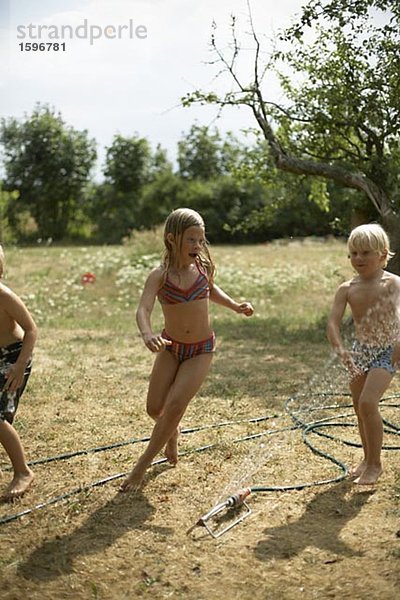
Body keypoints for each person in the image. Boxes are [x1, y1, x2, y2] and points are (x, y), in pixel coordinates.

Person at [120, 208, 254, 492]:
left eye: (201, 240)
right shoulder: (159, 276)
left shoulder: (202, 270)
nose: (198, 246)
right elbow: (143, 308)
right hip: (170, 347)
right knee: (154, 408)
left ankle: (140, 467)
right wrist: (147, 334)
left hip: (201, 350)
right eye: (191, 240)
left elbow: (211, 290)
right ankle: (171, 429)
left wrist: (235, 305)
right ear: (172, 238)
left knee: (175, 406)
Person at [327, 224, 400, 485]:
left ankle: (376, 465)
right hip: (359, 353)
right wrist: (342, 351)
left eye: (365, 253)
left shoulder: (393, 283)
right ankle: (367, 459)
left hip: (387, 351)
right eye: (353, 253)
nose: (358, 259)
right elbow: (333, 323)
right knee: (360, 408)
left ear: (382, 254)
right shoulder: (347, 288)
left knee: (369, 403)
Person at [0, 245, 37, 501]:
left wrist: (20, 364)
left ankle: (23, 472)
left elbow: (31, 330)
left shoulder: (3, 295)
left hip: (14, 357)